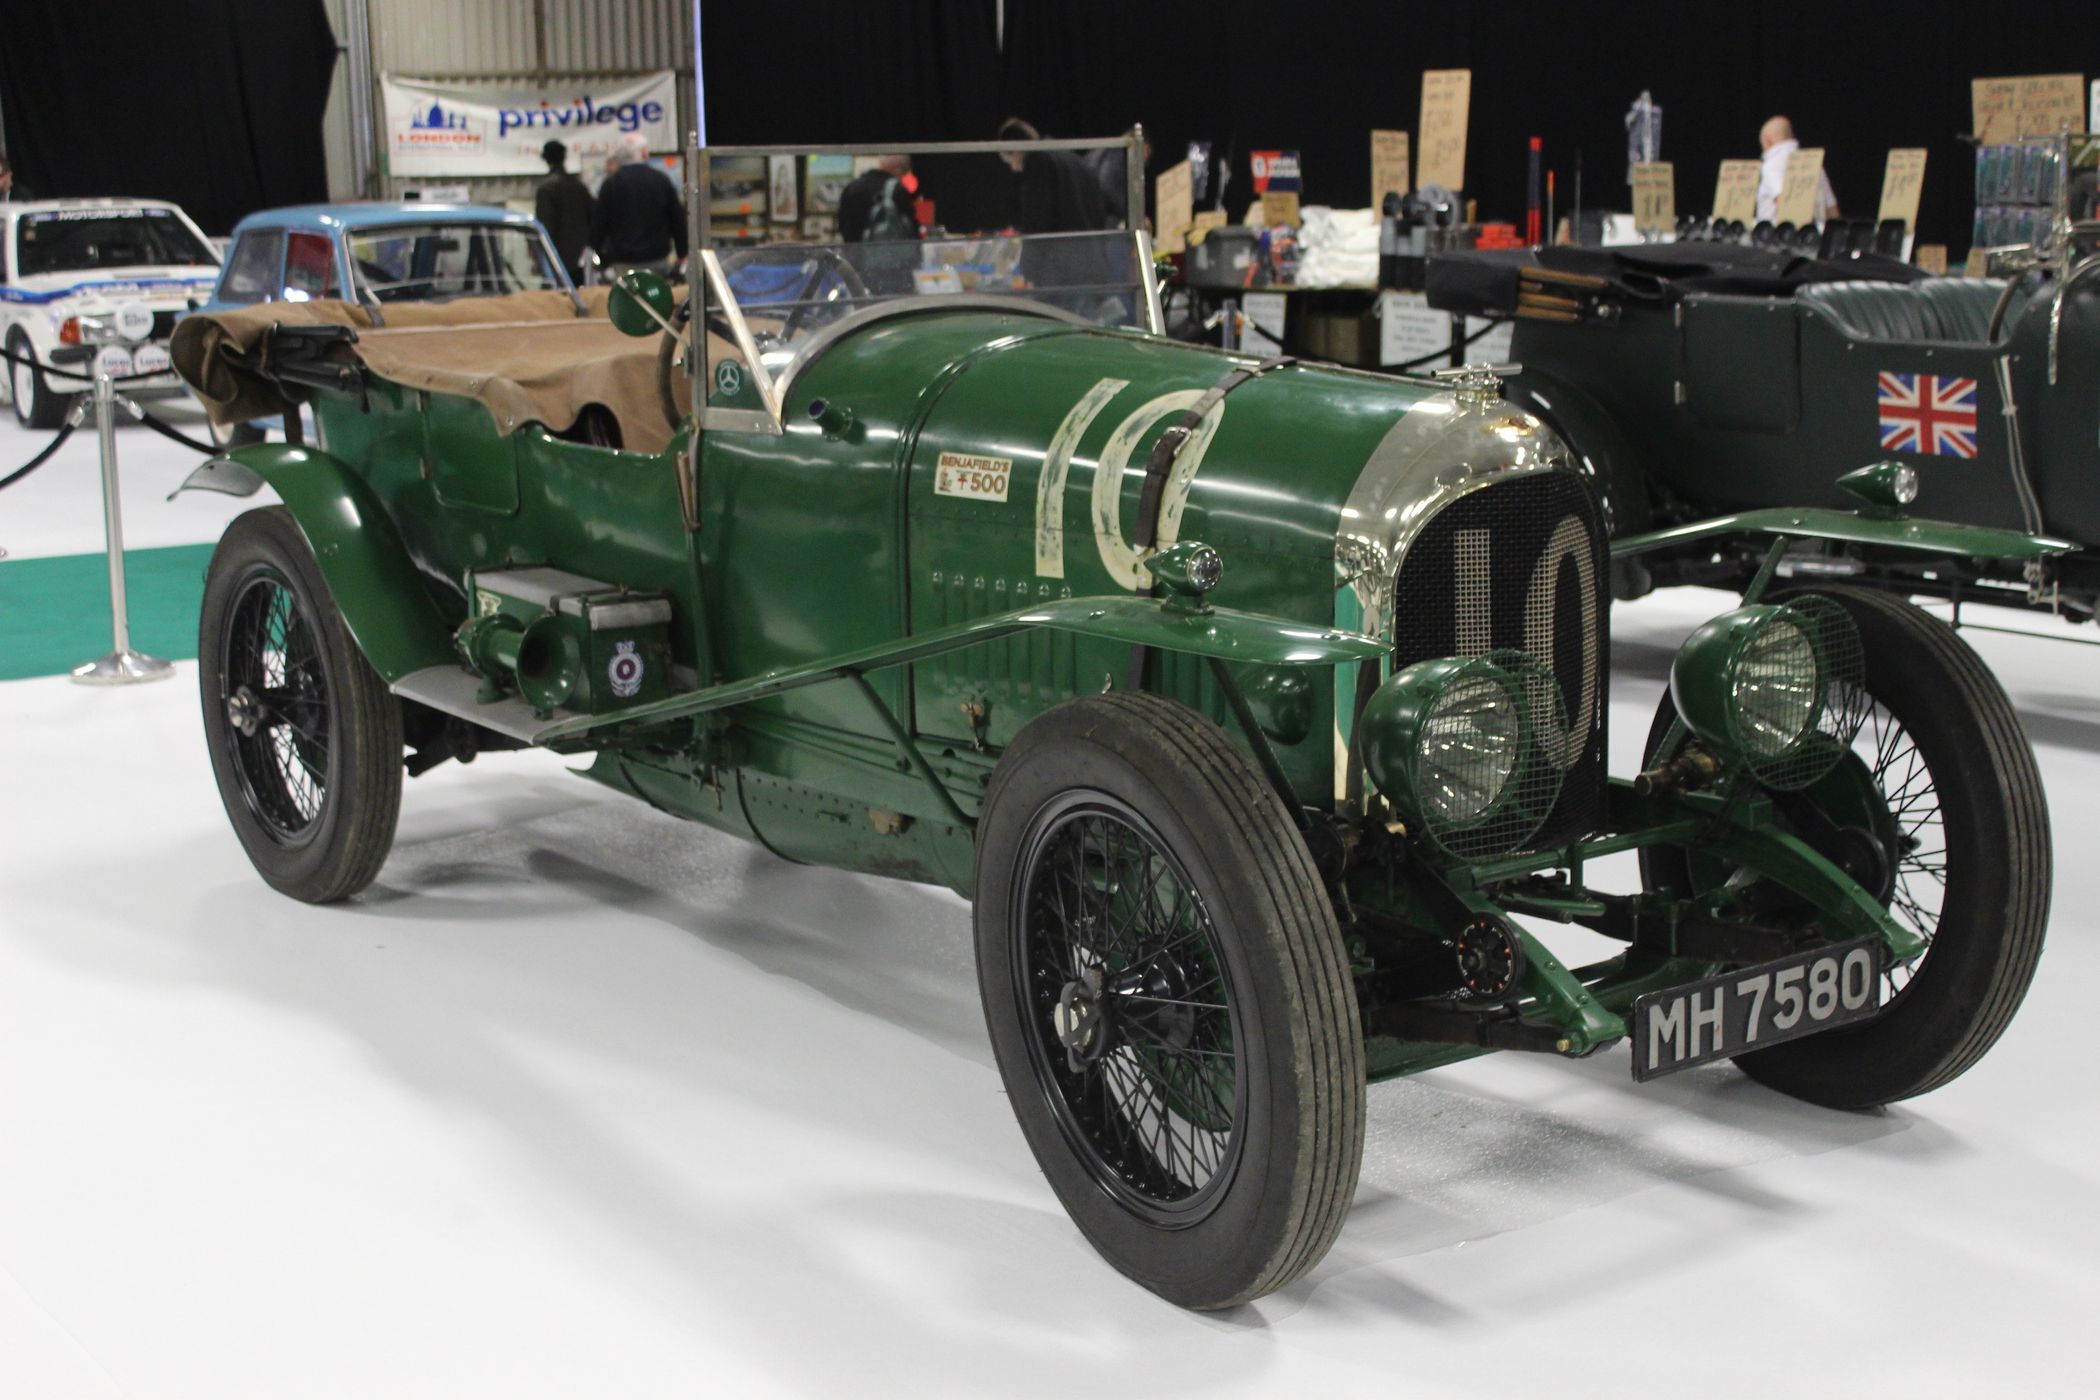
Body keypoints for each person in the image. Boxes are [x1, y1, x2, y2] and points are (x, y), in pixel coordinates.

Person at [590, 133, 686, 278]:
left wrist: (595, 249)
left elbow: (599, 222)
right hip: (657, 257)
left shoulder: (611, 183)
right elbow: (677, 220)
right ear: (644, 152)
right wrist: (682, 252)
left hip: (622, 260)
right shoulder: (661, 180)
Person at [1756, 115, 1839, 224]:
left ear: (1767, 141)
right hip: (1815, 231)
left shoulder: (1772, 166)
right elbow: (1831, 208)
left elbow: (1785, 202)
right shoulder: (1812, 162)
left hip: (1781, 231)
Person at [534, 140, 593, 285]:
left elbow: (544, 225)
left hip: (556, 257)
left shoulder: (546, 188)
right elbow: (593, 216)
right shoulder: (579, 186)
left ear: (546, 159)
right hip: (579, 257)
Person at [838, 154, 917, 244]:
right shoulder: (897, 190)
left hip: (855, 250)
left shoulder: (851, 187)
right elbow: (911, 226)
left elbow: (843, 224)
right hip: (888, 250)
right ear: (897, 169)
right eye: (904, 172)